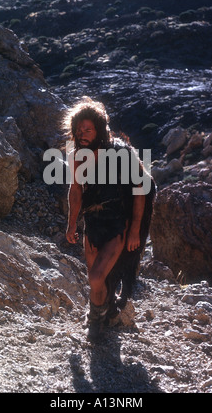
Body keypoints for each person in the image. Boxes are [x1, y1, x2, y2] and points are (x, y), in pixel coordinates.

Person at [64, 97, 156, 341]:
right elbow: (75, 191)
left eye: (87, 129)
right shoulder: (77, 156)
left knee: (96, 277)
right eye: (78, 129)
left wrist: (135, 229)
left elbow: (140, 187)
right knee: (97, 278)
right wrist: (72, 223)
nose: (82, 134)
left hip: (117, 224)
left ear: (99, 129)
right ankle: (102, 312)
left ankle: (94, 321)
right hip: (92, 224)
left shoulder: (120, 153)